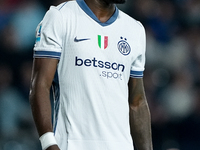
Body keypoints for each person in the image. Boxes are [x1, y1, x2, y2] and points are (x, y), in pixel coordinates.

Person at [29, 0, 153, 150]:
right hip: (72, 144)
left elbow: (137, 102)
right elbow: (40, 85)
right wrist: (48, 143)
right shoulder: (60, 16)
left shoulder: (135, 29)